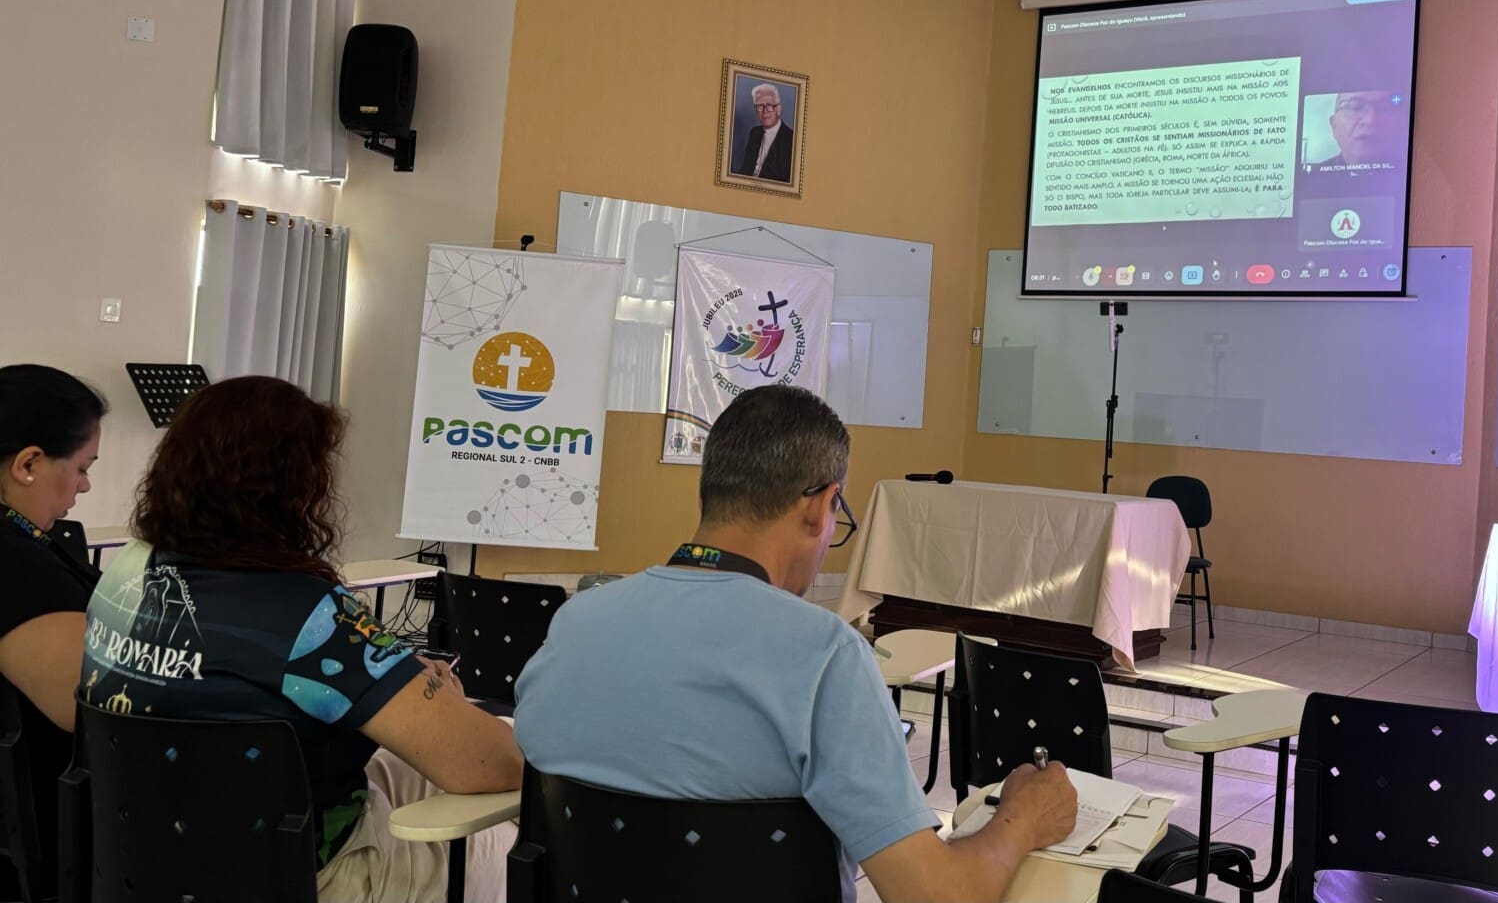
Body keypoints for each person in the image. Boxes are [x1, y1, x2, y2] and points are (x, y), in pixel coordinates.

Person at [515, 385, 1077, 903]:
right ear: (818, 506)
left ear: (709, 493)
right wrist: (1022, 818)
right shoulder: (826, 656)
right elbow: (935, 895)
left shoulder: (575, 624)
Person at [78, 376, 522, 903]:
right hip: (299, 877)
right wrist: (437, 695)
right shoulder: (310, 615)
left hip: (147, 859)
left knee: (406, 769)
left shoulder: (122, 574)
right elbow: (493, 764)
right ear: (295, 488)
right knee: (499, 837)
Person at [0, 364, 106, 894]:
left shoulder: (27, 546)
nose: (84, 485)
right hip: (52, 840)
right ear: (28, 464)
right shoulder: (16, 564)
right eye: (82, 467)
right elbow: (86, 704)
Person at [1308, 90, 1406, 171]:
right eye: (1355, 107)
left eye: (1384, 107)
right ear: (1334, 125)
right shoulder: (1313, 176)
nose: (1370, 120)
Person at [732, 81, 795, 181]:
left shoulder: (792, 140)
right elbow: (745, 171)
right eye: (760, 106)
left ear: (778, 109)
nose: (765, 111)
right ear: (756, 110)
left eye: (770, 105)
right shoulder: (754, 133)